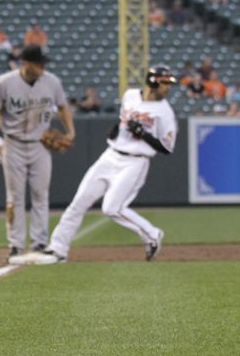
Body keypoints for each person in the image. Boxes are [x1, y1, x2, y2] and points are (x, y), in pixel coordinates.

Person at [25, 66, 177, 265]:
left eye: (168, 83)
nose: (168, 87)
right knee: (78, 203)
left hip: (136, 162)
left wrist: (143, 133)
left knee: (112, 208)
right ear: (153, 81)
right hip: (110, 155)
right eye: (165, 82)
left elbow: (167, 147)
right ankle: (58, 249)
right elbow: (124, 121)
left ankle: (152, 234)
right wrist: (116, 130)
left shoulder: (165, 112)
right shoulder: (130, 95)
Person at [0, 45, 75, 262]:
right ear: (26, 63)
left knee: (40, 195)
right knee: (14, 197)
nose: (42, 68)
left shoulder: (52, 81)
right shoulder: (5, 82)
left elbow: (62, 106)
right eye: (38, 63)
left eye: (43, 64)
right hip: (13, 143)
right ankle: (15, 245)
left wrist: (70, 131)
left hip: (40, 144)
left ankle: (39, 243)